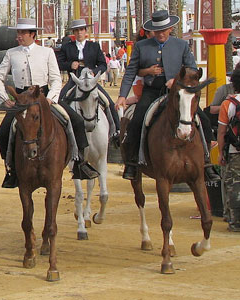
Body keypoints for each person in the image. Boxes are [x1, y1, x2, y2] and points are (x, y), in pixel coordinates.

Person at [0, 18, 99, 188]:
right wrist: (4, 99)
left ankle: (80, 163)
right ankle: (11, 170)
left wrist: (52, 98)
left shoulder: (47, 52)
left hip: (44, 97)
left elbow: (56, 79)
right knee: (3, 132)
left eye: (22, 33)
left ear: (32, 34)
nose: (18, 36)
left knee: (76, 121)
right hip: (21, 101)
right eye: (18, 33)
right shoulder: (11, 53)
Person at [115, 10, 219, 181]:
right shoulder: (141, 46)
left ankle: (207, 163)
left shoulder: (182, 45)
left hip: (178, 93)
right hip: (151, 91)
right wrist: (122, 95)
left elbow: (192, 68)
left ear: (170, 29)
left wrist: (177, 79)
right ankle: (132, 163)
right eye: (157, 31)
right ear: (152, 31)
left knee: (203, 120)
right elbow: (130, 71)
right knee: (137, 120)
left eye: (164, 30)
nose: (161, 33)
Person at [58, 19, 120, 136]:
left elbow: (102, 64)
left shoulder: (94, 46)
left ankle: (117, 130)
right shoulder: (67, 47)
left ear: (85, 31)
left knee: (108, 102)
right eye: (76, 30)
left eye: (81, 30)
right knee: (60, 100)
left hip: (91, 81)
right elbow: (59, 62)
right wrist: (70, 65)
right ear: (73, 33)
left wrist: (94, 72)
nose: (79, 33)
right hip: (75, 79)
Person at [216, 68, 240, 231]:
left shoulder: (228, 104)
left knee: (234, 185)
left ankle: (235, 221)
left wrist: (220, 153)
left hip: (235, 150)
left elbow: (222, 132)